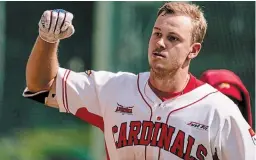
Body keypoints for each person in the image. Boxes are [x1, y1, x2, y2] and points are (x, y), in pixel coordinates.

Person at [23, 2, 255, 160]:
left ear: (193, 50)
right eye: (157, 34)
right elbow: (41, 85)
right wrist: (47, 39)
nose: (161, 43)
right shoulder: (114, 89)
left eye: (173, 38)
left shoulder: (218, 111)